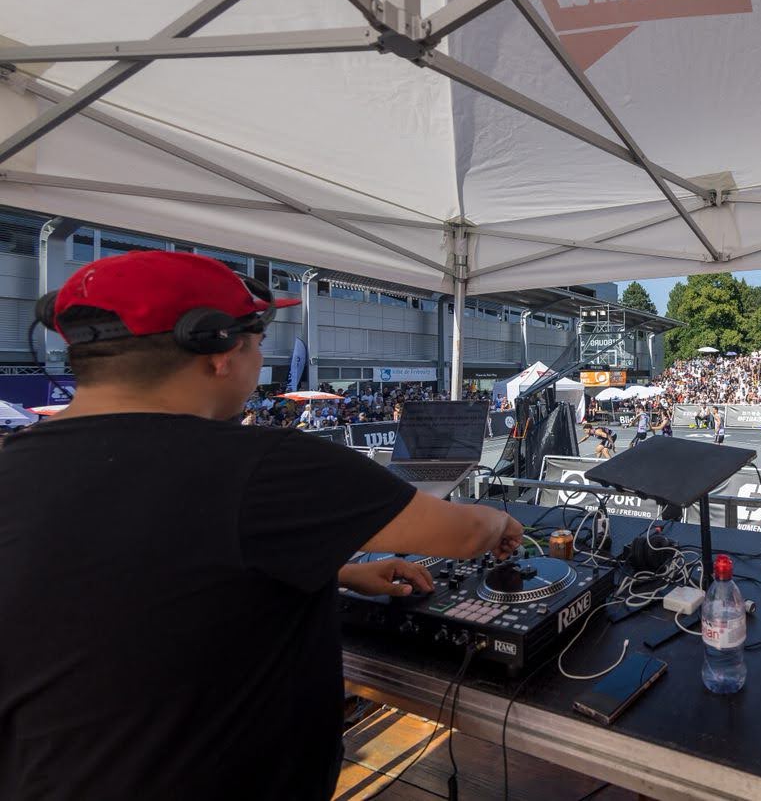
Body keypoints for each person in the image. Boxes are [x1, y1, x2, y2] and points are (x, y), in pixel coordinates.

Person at [0, 251, 523, 800]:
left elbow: (127, 573)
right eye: (257, 341)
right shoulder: (270, 464)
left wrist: (338, 571)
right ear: (221, 351)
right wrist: (501, 519)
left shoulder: (13, 463)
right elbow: (465, 536)